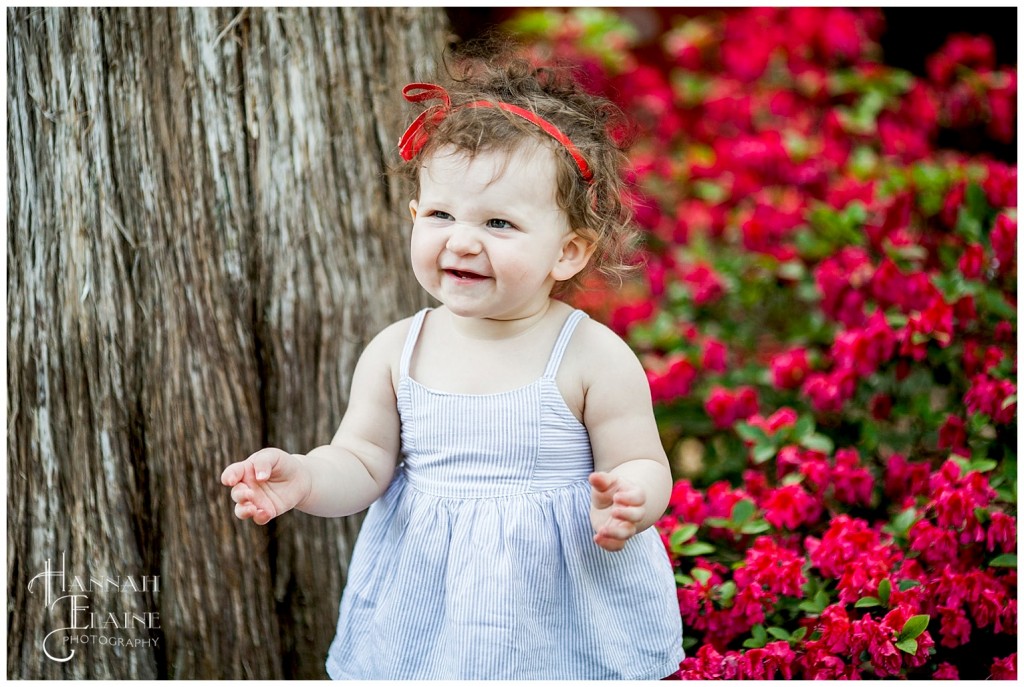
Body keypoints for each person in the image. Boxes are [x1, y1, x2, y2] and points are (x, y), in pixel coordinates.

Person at [221, 47, 684, 680]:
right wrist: (303, 478)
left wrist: (635, 497)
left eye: (498, 222)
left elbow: (641, 460)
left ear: (569, 252)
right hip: (429, 612)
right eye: (440, 214)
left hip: (561, 607)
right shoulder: (397, 350)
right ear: (415, 218)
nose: (461, 240)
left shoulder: (590, 355)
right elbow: (361, 462)